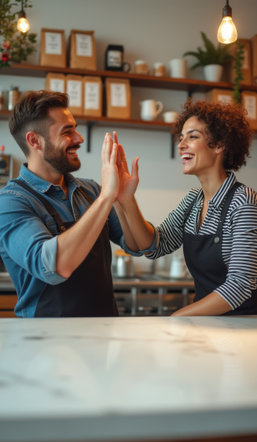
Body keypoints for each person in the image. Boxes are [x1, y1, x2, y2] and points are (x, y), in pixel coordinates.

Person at [0, 89, 140, 318]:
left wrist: (125, 198)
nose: (79, 138)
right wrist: (106, 197)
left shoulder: (90, 190)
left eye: (75, 128)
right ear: (35, 141)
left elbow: (135, 245)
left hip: (101, 335)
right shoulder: (11, 202)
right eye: (67, 131)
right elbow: (55, 266)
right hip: (44, 343)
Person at [114, 100, 257, 316]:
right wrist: (126, 199)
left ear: (219, 145)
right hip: (207, 324)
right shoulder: (193, 201)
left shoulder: (243, 202)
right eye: (181, 138)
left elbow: (240, 285)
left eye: (192, 136)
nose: (181, 145)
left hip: (243, 327)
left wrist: (179, 316)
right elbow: (154, 247)